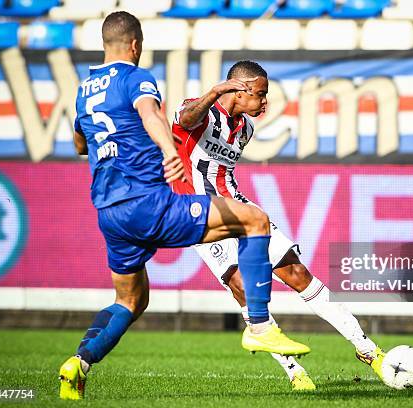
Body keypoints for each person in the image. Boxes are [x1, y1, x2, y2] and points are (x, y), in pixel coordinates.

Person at [60, 12, 309, 400]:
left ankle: (79, 362)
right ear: (136, 45)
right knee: (255, 220)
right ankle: (260, 326)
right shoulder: (136, 78)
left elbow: (79, 144)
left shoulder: (84, 90)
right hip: (147, 202)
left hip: (109, 213)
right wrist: (165, 149)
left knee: (130, 301)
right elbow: (150, 113)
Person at [170, 60, 386, 392]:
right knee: (242, 287)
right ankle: (294, 372)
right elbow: (185, 121)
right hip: (201, 216)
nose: (265, 102)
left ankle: (368, 350)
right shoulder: (201, 111)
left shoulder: (244, 129)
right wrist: (215, 92)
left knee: (298, 274)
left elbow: (221, 172)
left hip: (241, 210)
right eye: (260, 94)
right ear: (239, 91)